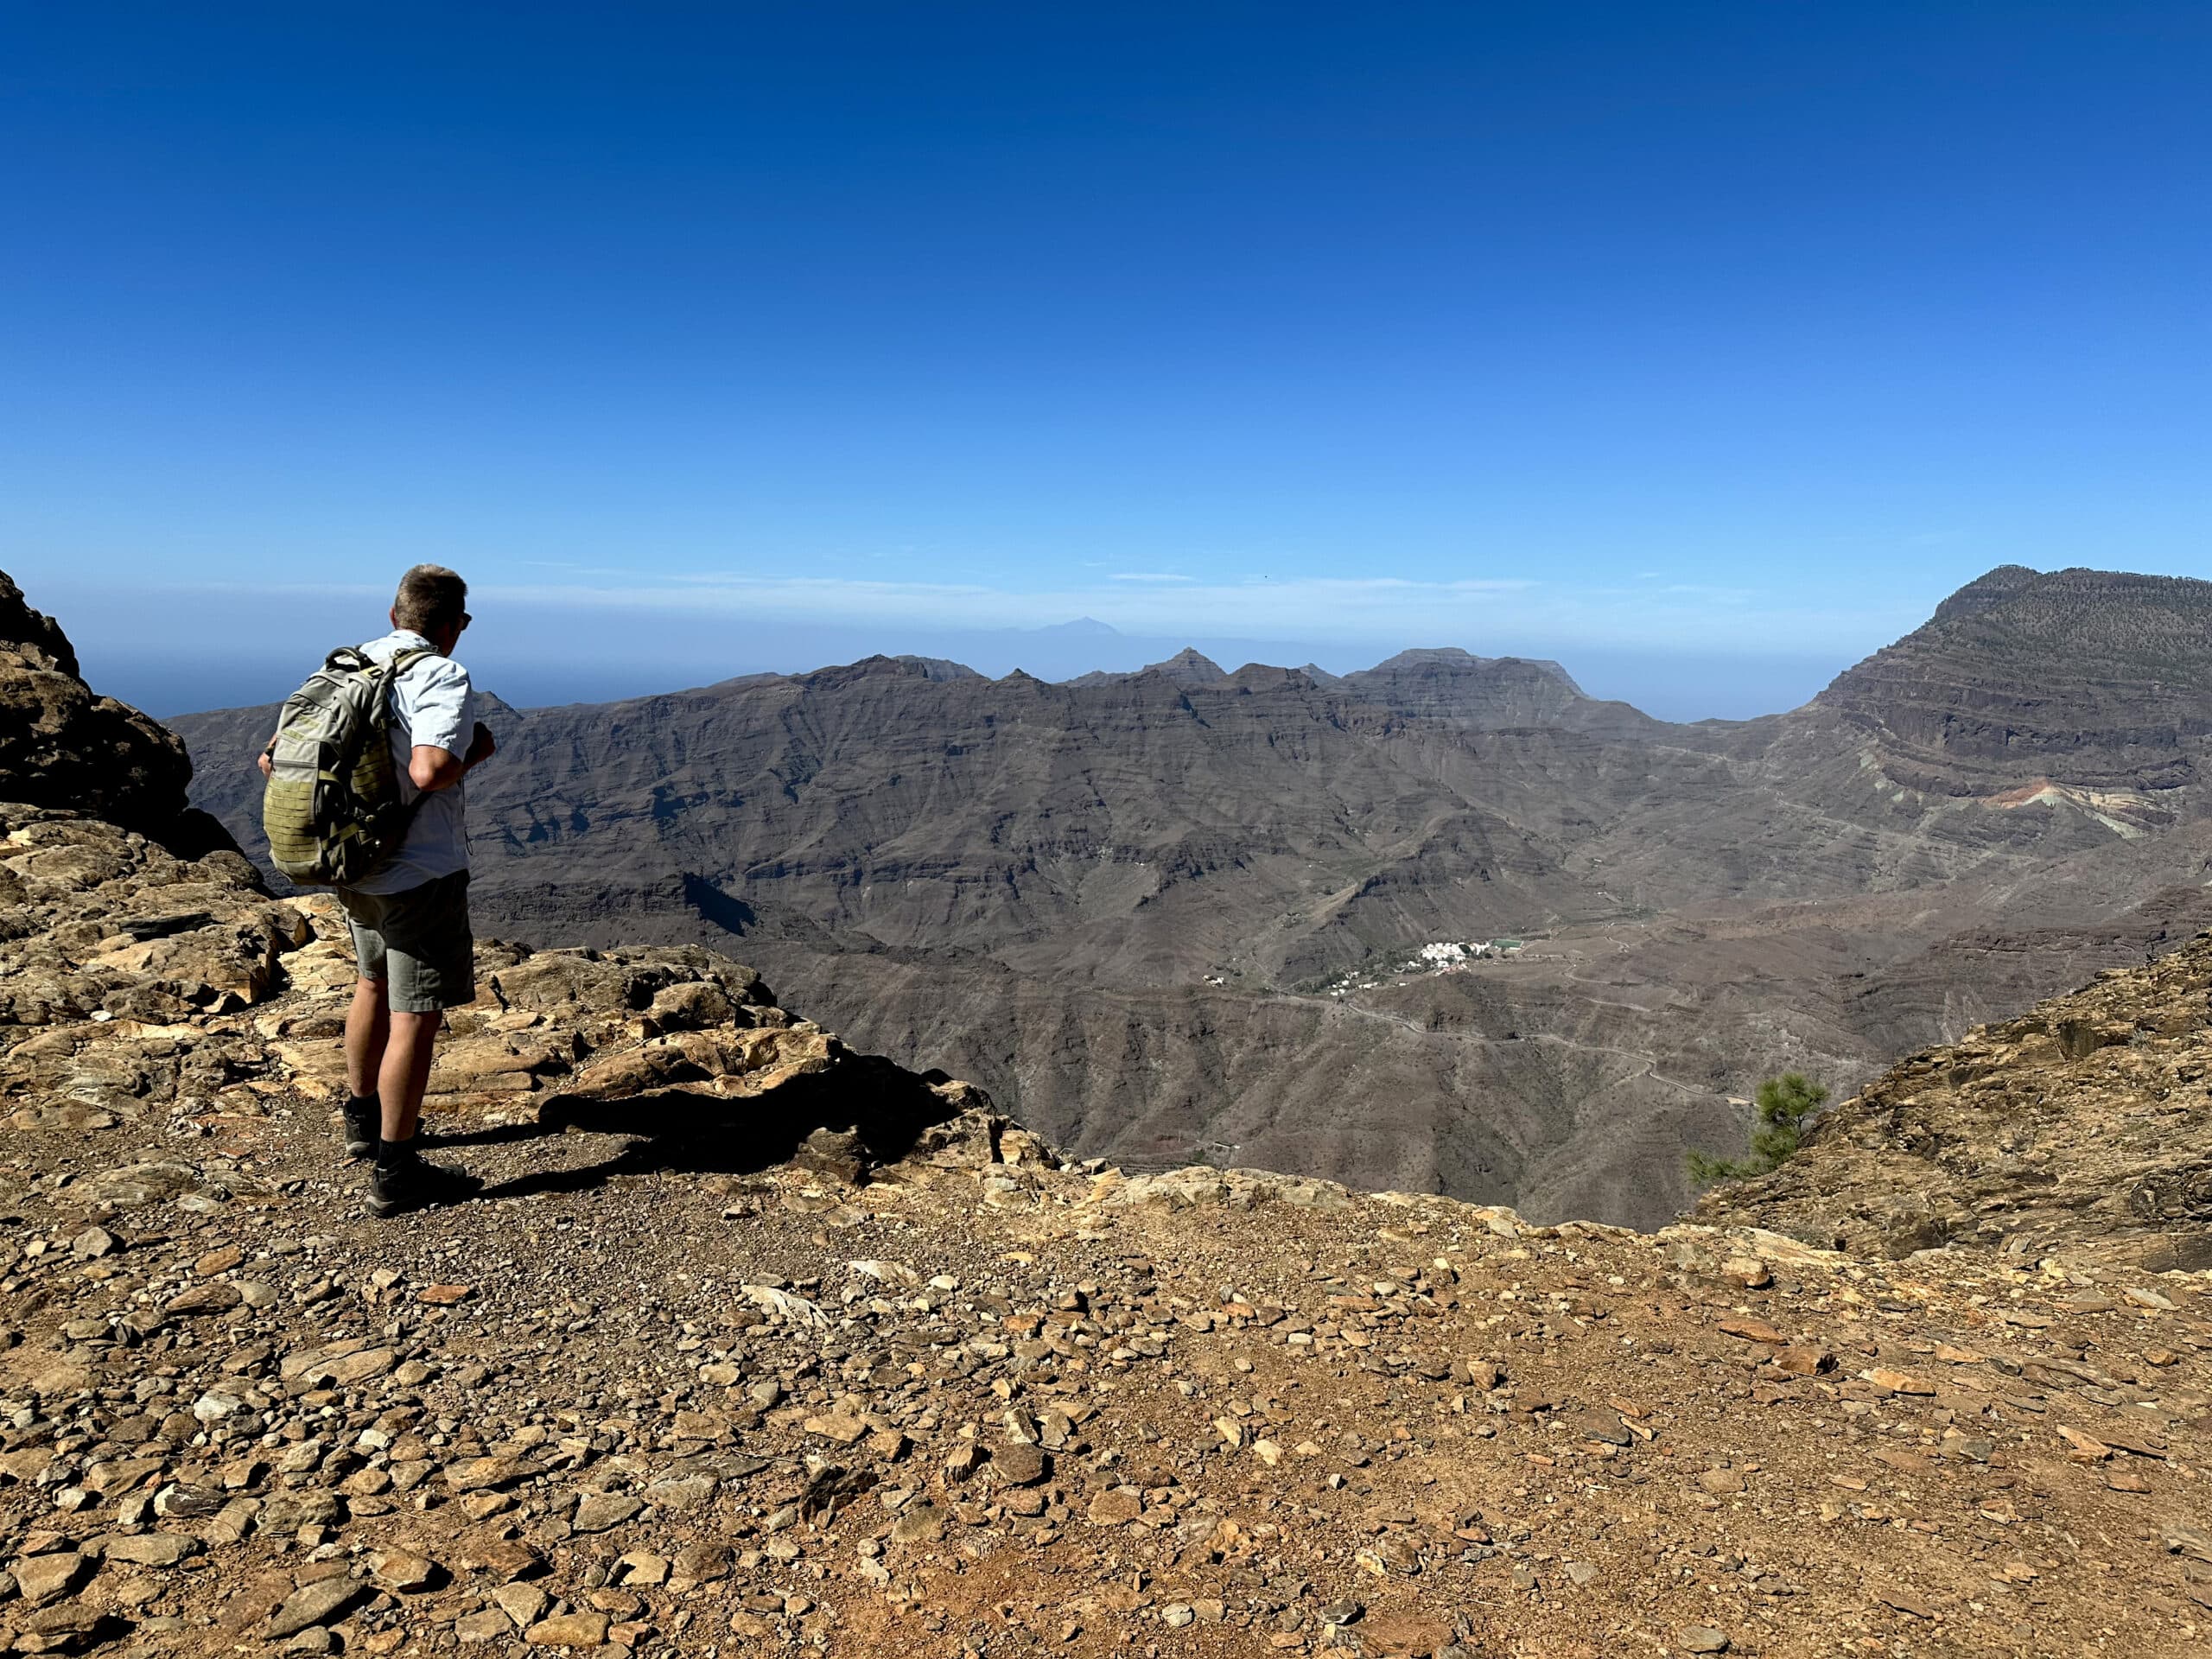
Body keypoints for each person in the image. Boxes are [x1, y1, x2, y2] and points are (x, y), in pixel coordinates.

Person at [260, 563, 496, 1214]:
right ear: (456, 626)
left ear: (394, 616)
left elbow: (273, 757)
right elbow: (432, 767)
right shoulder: (440, 673)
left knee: (370, 984)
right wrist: (475, 753)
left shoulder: (345, 666)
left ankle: (362, 1121)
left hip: (350, 862)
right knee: (415, 1014)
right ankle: (398, 1168)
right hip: (417, 871)